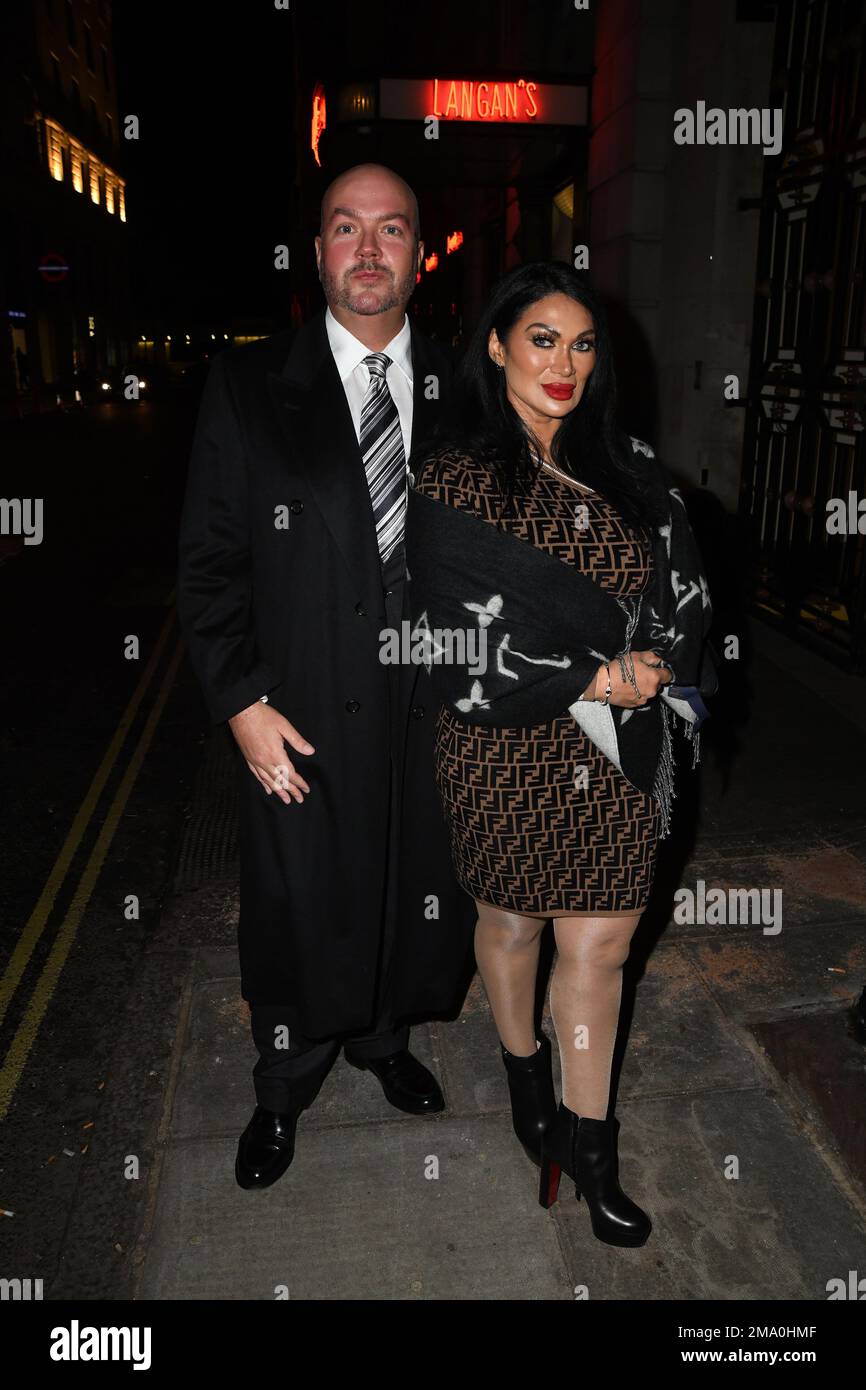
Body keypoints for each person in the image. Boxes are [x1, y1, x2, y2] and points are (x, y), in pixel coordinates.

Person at [176, 163, 477, 1190]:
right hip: (297, 702)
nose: (365, 248)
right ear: (315, 254)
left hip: (424, 703)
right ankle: (285, 1079)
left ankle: (381, 1038)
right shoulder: (251, 386)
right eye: (343, 228)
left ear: (417, 253)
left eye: (390, 229)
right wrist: (239, 702)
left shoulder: (462, 387)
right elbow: (209, 565)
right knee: (299, 897)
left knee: (409, 878)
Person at [405, 261, 717, 1246]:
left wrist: (656, 661)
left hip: (619, 749)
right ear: (495, 345)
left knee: (601, 943)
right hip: (504, 745)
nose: (563, 363)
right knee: (510, 921)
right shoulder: (451, 473)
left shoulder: (622, 465)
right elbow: (452, 636)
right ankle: (520, 1068)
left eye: (581, 344)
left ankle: (588, 1146)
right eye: (542, 338)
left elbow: (682, 592)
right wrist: (589, 675)